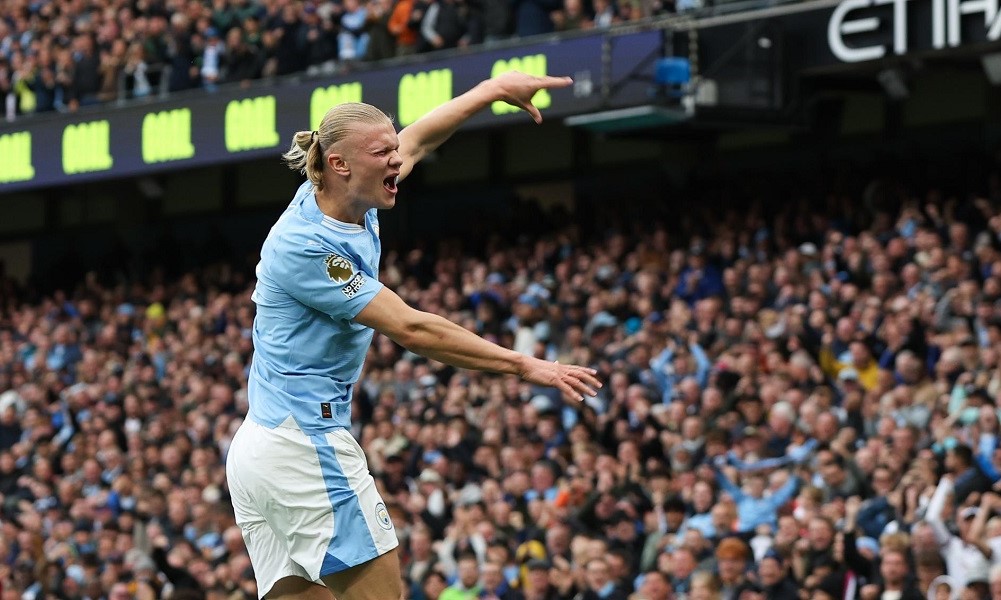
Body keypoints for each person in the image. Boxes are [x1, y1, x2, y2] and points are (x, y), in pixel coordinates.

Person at [225, 70, 595, 600]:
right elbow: (411, 327)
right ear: (339, 163)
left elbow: (420, 138)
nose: (397, 159)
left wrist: (488, 91)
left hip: (263, 448)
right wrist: (525, 364)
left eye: (393, 148)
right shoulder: (304, 246)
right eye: (382, 153)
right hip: (304, 444)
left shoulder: (350, 194)